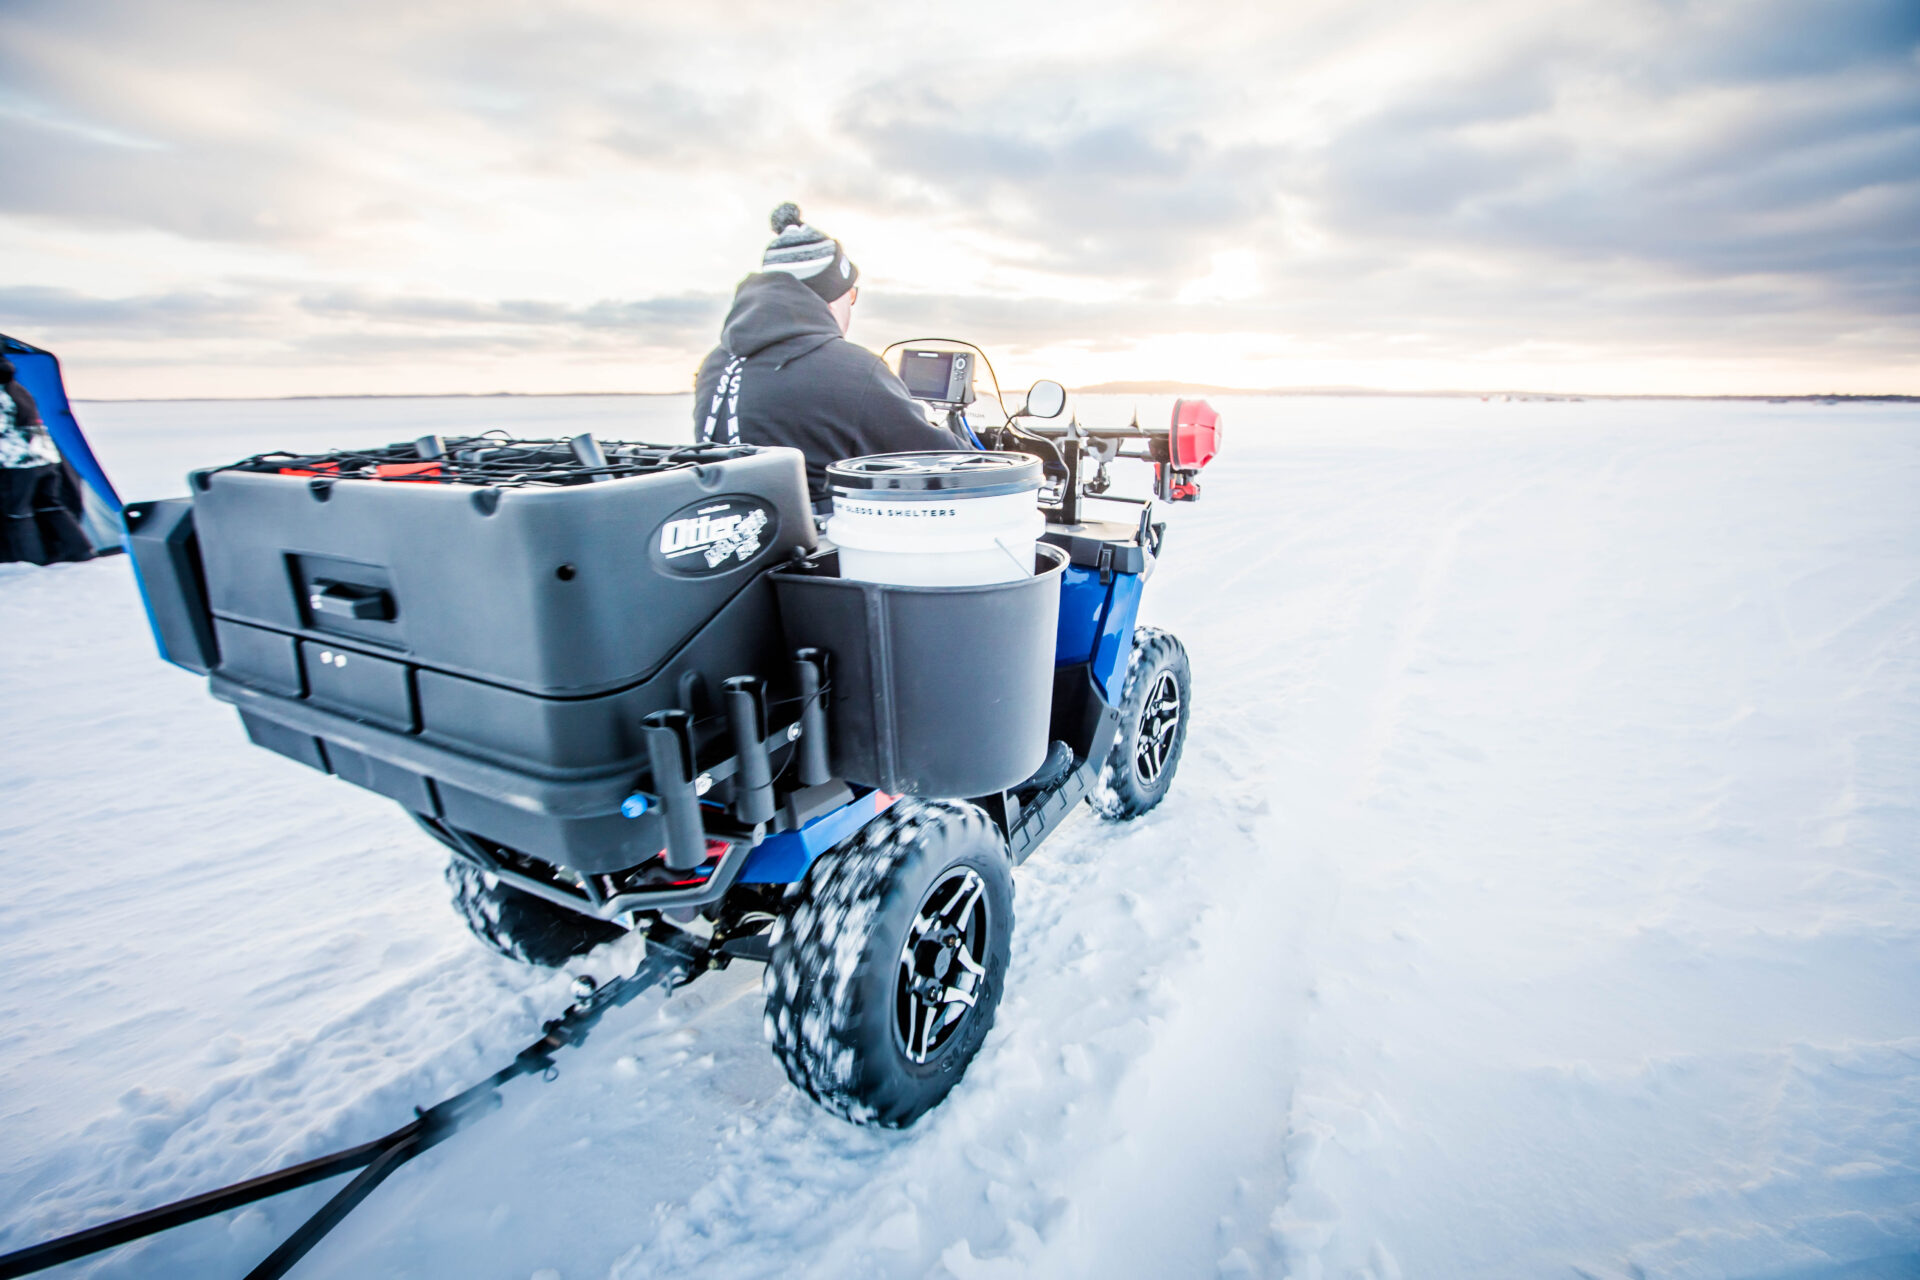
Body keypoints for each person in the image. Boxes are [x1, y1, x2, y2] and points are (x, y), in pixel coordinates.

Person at [694, 203, 958, 506]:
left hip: (751, 536)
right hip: (821, 543)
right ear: (832, 296)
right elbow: (944, 459)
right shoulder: (852, 370)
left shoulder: (716, 365)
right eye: (852, 295)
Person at [0, 358, 92, 564]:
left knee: (18, 514)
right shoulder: (18, 389)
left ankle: (29, 560)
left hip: (17, 462)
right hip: (45, 458)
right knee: (51, 506)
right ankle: (80, 550)